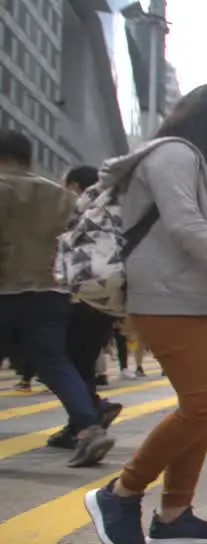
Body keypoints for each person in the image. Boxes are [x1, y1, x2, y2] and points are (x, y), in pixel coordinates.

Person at [84, 84, 207, 544]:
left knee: (205, 406)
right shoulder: (171, 153)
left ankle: (174, 515)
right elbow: (184, 224)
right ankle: (120, 493)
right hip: (166, 297)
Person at [0, 132, 114, 467]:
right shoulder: (60, 196)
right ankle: (90, 428)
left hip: (6, 288)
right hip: (52, 291)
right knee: (55, 363)